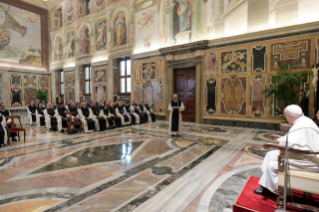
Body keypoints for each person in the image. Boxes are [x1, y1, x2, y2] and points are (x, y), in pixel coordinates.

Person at [254, 105, 319, 196]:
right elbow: (298, 139)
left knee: (271, 166)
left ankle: (279, 191)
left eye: (286, 116)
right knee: (270, 154)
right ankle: (266, 187)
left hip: (308, 161)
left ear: (291, 116)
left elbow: (293, 144)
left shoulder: (301, 125)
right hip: (306, 156)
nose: (285, 117)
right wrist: (284, 139)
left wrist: (281, 141)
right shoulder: (305, 121)